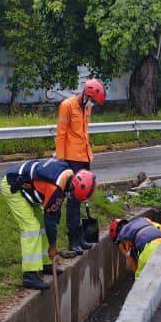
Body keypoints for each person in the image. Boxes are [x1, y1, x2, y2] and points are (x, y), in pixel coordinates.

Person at [1, 158, 96, 290]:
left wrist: (53, 243)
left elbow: (53, 214)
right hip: (14, 188)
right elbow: (50, 219)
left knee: (43, 225)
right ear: (74, 187)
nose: (72, 197)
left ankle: (45, 264)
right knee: (31, 227)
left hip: (28, 190)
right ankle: (29, 275)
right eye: (74, 195)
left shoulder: (68, 176)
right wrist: (53, 246)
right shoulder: (56, 188)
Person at [56, 79, 106, 255]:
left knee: (85, 196)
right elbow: (61, 134)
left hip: (85, 156)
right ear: (85, 93)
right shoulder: (66, 106)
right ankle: (73, 240)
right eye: (91, 99)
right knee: (73, 200)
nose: (91, 103)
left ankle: (82, 237)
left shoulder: (87, 107)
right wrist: (62, 161)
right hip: (71, 159)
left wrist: (88, 156)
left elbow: (84, 132)